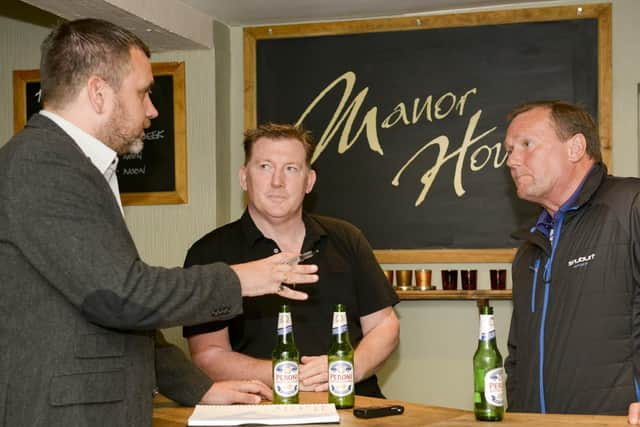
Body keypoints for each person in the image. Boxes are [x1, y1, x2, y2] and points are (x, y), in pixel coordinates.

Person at [0, 19, 319, 427]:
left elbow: (123, 312)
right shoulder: (44, 163)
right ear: (99, 93)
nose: (152, 109)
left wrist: (197, 388)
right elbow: (123, 296)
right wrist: (242, 279)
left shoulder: (74, 165)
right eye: (143, 92)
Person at [183, 123, 400, 397]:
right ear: (243, 178)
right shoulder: (209, 253)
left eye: (291, 168)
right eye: (264, 167)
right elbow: (208, 354)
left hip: (354, 405)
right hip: (263, 409)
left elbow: (385, 325)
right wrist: (287, 374)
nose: (277, 182)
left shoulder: (347, 239)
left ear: (309, 181)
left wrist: (348, 367)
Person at [503, 100, 640, 421]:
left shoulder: (631, 206)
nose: (512, 160)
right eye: (509, 150)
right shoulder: (529, 250)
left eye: (526, 144)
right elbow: (518, 355)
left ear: (575, 147)